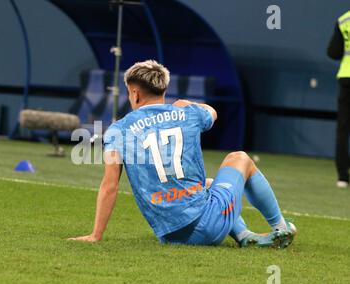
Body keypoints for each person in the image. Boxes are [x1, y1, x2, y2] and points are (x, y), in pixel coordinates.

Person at [70, 60, 296, 248]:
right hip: (208, 226)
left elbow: (110, 185)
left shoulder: (118, 129)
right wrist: (188, 103)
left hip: (171, 235)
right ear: (164, 90)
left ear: (135, 93)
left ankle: (245, 236)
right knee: (240, 159)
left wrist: (96, 235)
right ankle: (280, 227)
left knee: (209, 184)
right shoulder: (186, 113)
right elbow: (213, 112)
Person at [328, 10, 350, 189]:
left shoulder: (343, 19)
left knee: (343, 129)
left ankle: (343, 176)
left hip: (346, 78)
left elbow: (333, 52)